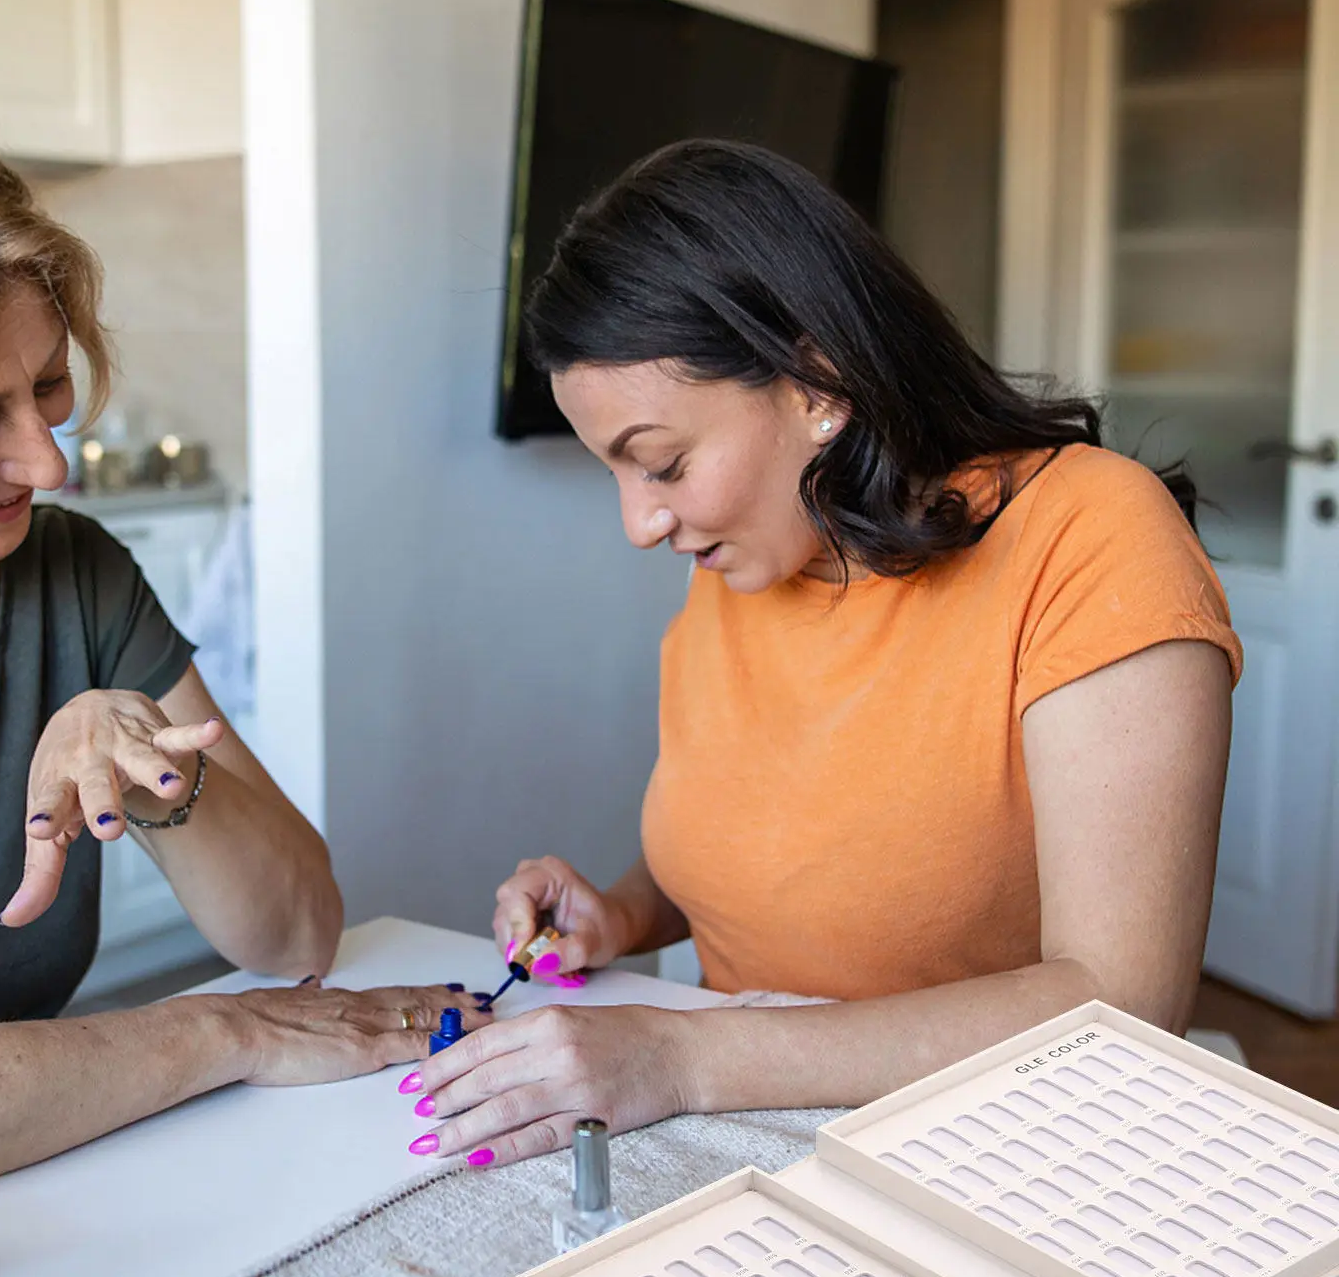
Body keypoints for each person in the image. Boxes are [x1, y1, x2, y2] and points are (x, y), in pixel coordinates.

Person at [0, 30, 483, 1205]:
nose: (45, 459)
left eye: (45, 388)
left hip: (8, 1196)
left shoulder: (68, 572)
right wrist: (218, 1037)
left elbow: (294, 937)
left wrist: (156, 774)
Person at [408, 140, 1239, 1168]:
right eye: (613, 477)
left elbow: (1120, 1000)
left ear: (817, 383)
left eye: (661, 463)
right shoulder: (746, 566)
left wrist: (683, 1057)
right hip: (739, 1145)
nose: (638, 523)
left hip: (998, 1154)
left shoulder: (1090, 534)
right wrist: (622, 909)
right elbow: (790, 856)